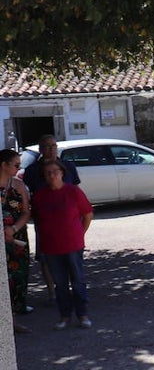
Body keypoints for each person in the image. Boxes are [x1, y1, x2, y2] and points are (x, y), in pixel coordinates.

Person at [32, 160, 93, 330]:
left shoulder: (73, 192)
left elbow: (87, 213)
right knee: (60, 283)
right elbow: (37, 219)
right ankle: (64, 316)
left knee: (78, 280)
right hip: (51, 246)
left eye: (55, 171)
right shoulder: (39, 196)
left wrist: (81, 233)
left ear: (62, 172)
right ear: (44, 176)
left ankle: (82, 314)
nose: (52, 175)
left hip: (73, 244)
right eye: (48, 172)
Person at [22, 133, 80, 302]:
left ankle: (72, 290)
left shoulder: (68, 166)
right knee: (45, 256)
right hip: (45, 219)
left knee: (71, 255)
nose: (51, 149)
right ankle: (52, 293)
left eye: (54, 146)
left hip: (68, 219)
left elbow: (76, 191)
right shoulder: (32, 171)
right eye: (47, 146)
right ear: (40, 149)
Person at [1, 149, 33, 332]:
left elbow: (26, 211)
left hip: (16, 237)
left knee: (17, 277)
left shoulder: (18, 185)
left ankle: (13, 320)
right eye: (15, 165)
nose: (18, 168)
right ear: (3, 165)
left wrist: (12, 229)